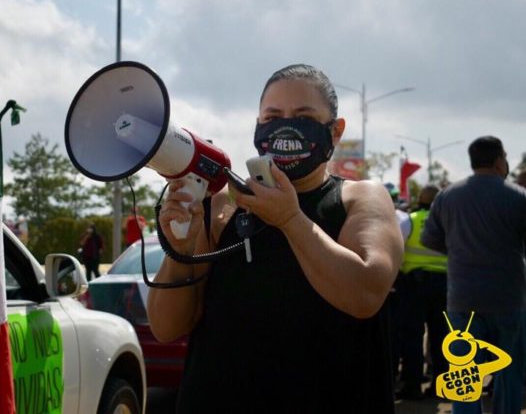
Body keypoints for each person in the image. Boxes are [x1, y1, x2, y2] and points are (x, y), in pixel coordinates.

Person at [147, 64, 404, 413]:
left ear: (336, 130)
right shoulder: (223, 206)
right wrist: (179, 250)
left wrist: (290, 219)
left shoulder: (360, 198)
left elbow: (365, 293)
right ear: (257, 124)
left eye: (303, 115)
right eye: (273, 115)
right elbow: (166, 327)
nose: (286, 124)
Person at [422, 136, 526, 414]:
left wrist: (459, 249)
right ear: (498, 161)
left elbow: (428, 239)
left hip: (462, 299)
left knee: (465, 373)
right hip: (509, 299)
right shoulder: (517, 196)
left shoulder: (447, 196)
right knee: (510, 369)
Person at [395, 185, 448, 400]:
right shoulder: (449, 223)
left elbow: (396, 248)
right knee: (441, 338)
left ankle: (412, 385)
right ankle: (441, 388)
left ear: (420, 200)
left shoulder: (411, 220)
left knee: (412, 336)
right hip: (445, 285)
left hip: (414, 286)